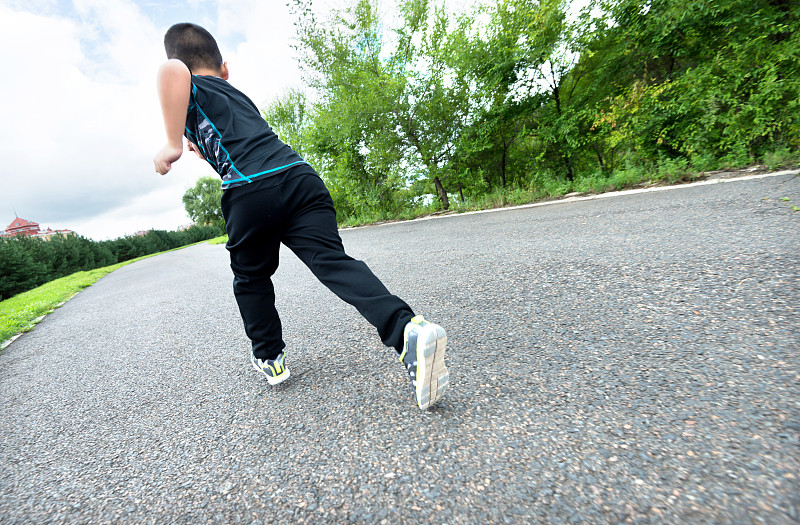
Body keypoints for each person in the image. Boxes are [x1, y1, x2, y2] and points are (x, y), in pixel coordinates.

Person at [152, 23, 449, 410]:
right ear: (225, 68)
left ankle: (270, 357)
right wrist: (197, 144)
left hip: (250, 189)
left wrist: (172, 142)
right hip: (300, 178)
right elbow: (235, 145)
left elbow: (170, 72)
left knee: (251, 278)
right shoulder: (234, 95)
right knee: (333, 262)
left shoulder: (186, 81)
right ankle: (406, 330)